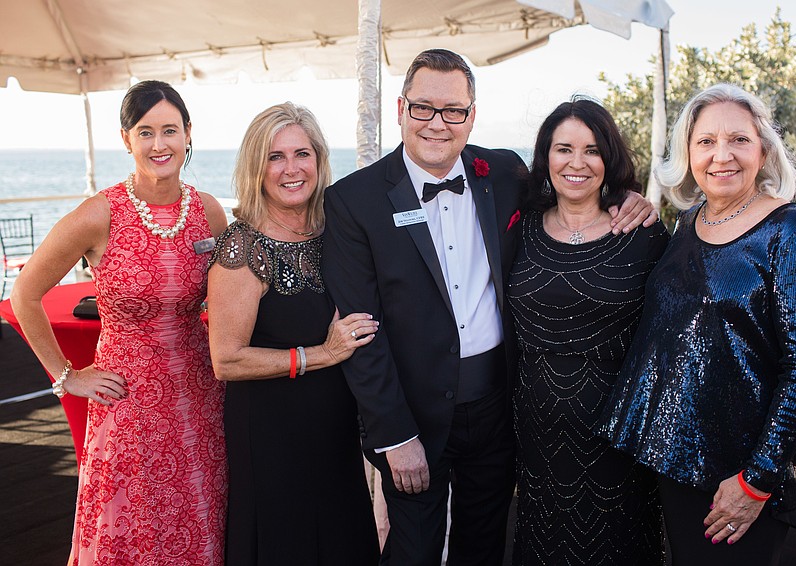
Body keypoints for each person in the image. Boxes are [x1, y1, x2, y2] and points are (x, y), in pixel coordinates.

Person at [322, 48, 657, 565]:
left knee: (484, 549)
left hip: (500, 411)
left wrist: (626, 199)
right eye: (424, 108)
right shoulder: (353, 200)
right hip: (412, 416)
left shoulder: (502, 173)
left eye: (454, 110)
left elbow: (574, 190)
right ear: (400, 109)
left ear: (472, 115)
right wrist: (394, 435)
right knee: (412, 552)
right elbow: (360, 332)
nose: (438, 123)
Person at [598, 83, 796, 566]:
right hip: (674, 460)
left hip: (737, 476)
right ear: (687, 151)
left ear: (763, 149)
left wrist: (758, 479)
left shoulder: (793, 231)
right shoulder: (688, 221)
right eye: (705, 141)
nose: (721, 155)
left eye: (738, 140)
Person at [10, 80, 228, 564]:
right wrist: (68, 377)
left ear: (188, 134)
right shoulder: (98, 214)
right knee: (130, 530)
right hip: (126, 404)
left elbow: (233, 295)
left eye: (170, 130)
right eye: (145, 132)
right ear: (126, 139)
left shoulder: (210, 212)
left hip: (199, 401)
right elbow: (25, 294)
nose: (159, 144)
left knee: (198, 521)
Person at [206, 102, 380, 565]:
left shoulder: (333, 232)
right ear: (256, 167)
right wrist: (321, 354)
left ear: (320, 161)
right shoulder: (243, 247)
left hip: (335, 429)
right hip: (271, 434)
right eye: (275, 157)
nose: (291, 169)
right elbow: (226, 359)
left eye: (302, 154)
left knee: (342, 540)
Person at [507, 98, 669, 565]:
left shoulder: (643, 235)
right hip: (535, 436)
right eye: (563, 149)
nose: (577, 163)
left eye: (592, 150)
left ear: (609, 159)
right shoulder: (519, 229)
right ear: (545, 157)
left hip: (618, 437)